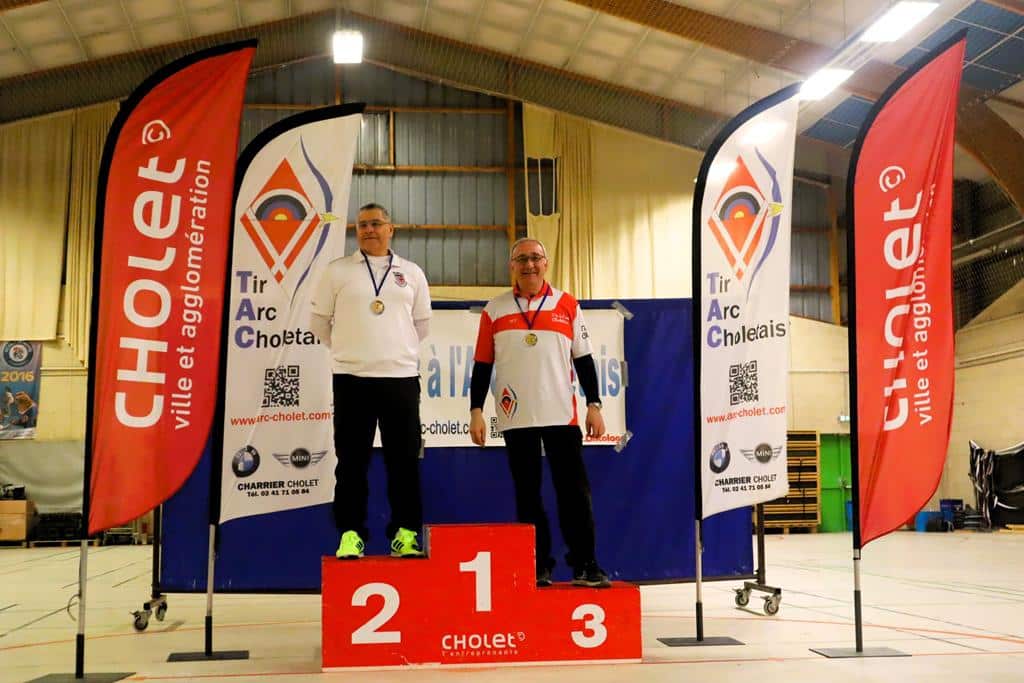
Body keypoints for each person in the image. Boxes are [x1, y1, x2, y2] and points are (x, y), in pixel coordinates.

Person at [469, 237, 611, 588]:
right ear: (512, 266)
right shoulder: (494, 309)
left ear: (546, 263)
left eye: (535, 258)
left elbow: (584, 360)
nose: (529, 265)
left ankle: (585, 564)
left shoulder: (567, 304)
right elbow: (482, 365)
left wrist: (594, 404)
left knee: (574, 493)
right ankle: (538, 566)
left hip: (562, 415)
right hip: (517, 418)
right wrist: (476, 410)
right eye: (521, 259)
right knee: (527, 494)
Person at [310, 202, 431, 559]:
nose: (369, 230)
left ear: (391, 229)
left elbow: (421, 325)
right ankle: (350, 534)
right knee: (351, 462)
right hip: (352, 379)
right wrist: (351, 351)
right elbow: (319, 323)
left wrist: (392, 351)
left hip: (400, 379)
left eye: (376, 223)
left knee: (404, 462)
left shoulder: (411, 273)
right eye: (362, 225)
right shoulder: (337, 271)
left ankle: (406, 534)